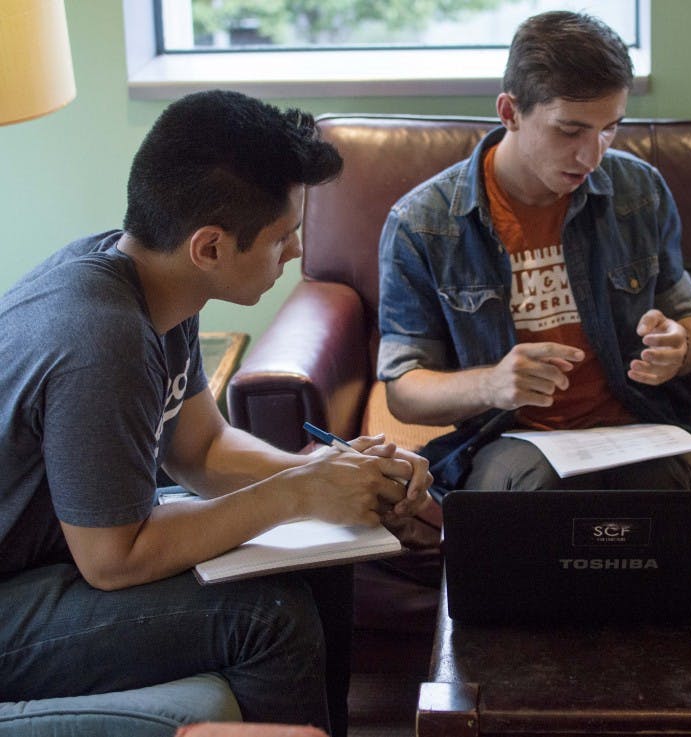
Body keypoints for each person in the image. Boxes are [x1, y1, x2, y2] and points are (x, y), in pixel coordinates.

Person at [0, 90, 433, 736]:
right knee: (268, 616)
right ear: (210, 247)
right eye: (284, 237)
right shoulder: (102, 340)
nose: (294, 253)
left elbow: (200, 450)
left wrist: (332, 478)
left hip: (59, 550)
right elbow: (114, 559)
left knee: (325, 551)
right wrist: (296, 492)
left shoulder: (156, 283)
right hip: (21, 592)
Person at [377, 11, 691, 492]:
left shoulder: (639, 189)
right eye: (570, 131)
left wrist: (677, 348)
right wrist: (491, 384)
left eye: (609, 129)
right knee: (531, 501)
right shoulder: (423, 224)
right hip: (510, 438)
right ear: (510, 112)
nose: (592, 155)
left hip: (637, 426)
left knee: (660, 500)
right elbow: (404, 391)